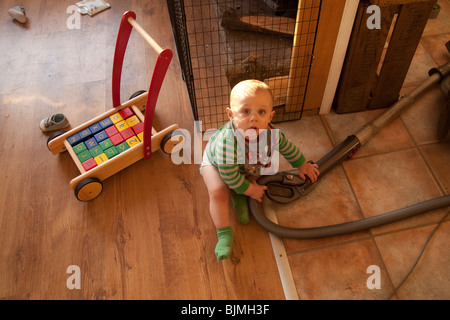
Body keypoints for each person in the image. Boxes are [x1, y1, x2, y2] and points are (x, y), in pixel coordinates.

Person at [200, 79, 319, 260]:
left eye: (261, 112)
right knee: (218, 191)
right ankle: (224, 233)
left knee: (258, 172)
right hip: (216, 166)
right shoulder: (227, 144)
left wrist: (302, 165)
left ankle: (240, 195)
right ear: (231, 115)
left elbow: (288, 148)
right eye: (245, 111)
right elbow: (229, 176)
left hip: (245, 167)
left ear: (270, 117)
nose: (253, 118)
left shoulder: (271, 135)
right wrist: (252, 190)